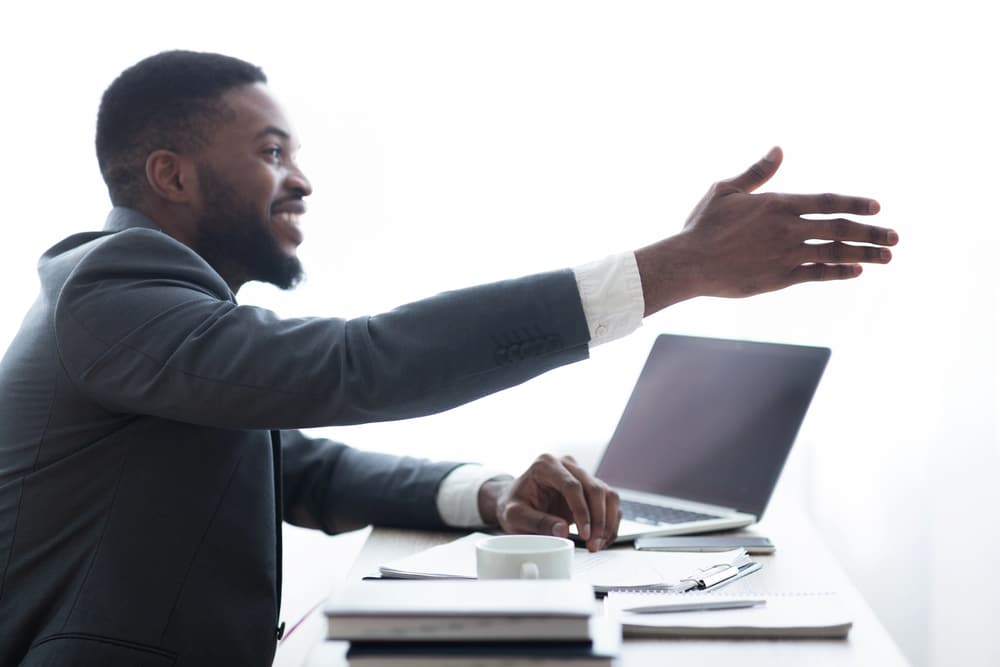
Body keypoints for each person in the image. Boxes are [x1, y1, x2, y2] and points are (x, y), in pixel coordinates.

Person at [0, 50, 897, 666]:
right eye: (272, 152)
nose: (302, 179)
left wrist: (490, 492)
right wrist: (672, 269)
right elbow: (362, 363)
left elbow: (298, 467)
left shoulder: (161, 321)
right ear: (172, 175)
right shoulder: (111, 283)